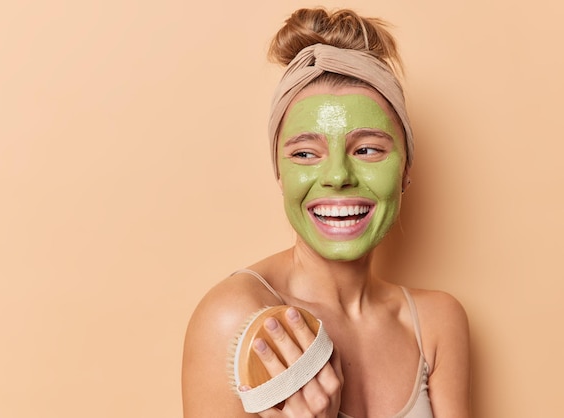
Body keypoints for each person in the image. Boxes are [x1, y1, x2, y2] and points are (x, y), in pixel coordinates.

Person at [182, 7, 470, 418]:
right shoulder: (236, 321)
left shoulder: (438, 324)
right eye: (305, 153)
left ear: (406, 169)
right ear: (280, 173)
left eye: (367, 149)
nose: (337, 175)